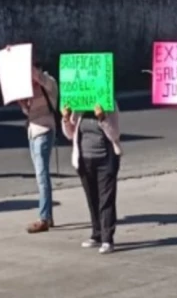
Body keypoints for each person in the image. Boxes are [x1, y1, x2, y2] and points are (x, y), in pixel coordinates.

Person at [61, 103, 122, 254]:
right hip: (84, 160)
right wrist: (66, 118)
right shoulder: (79, 107)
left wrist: (102, 117)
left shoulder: (109, 105)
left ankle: (107, 238)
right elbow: (70, 134)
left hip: (105, 160)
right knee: (92, 198)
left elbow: (115, 134)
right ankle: (97, 234)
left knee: (106, 199)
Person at [21, 63, 60, 234]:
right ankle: (48, 216)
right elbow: (27, 111)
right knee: (40, 175)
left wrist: (19, 59)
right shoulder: (28, 88)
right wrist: (21, 101)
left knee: (42, 174)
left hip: (45, 130)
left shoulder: (49, 83)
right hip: (32, 131)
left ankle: (44, 217)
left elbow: (39, 77)